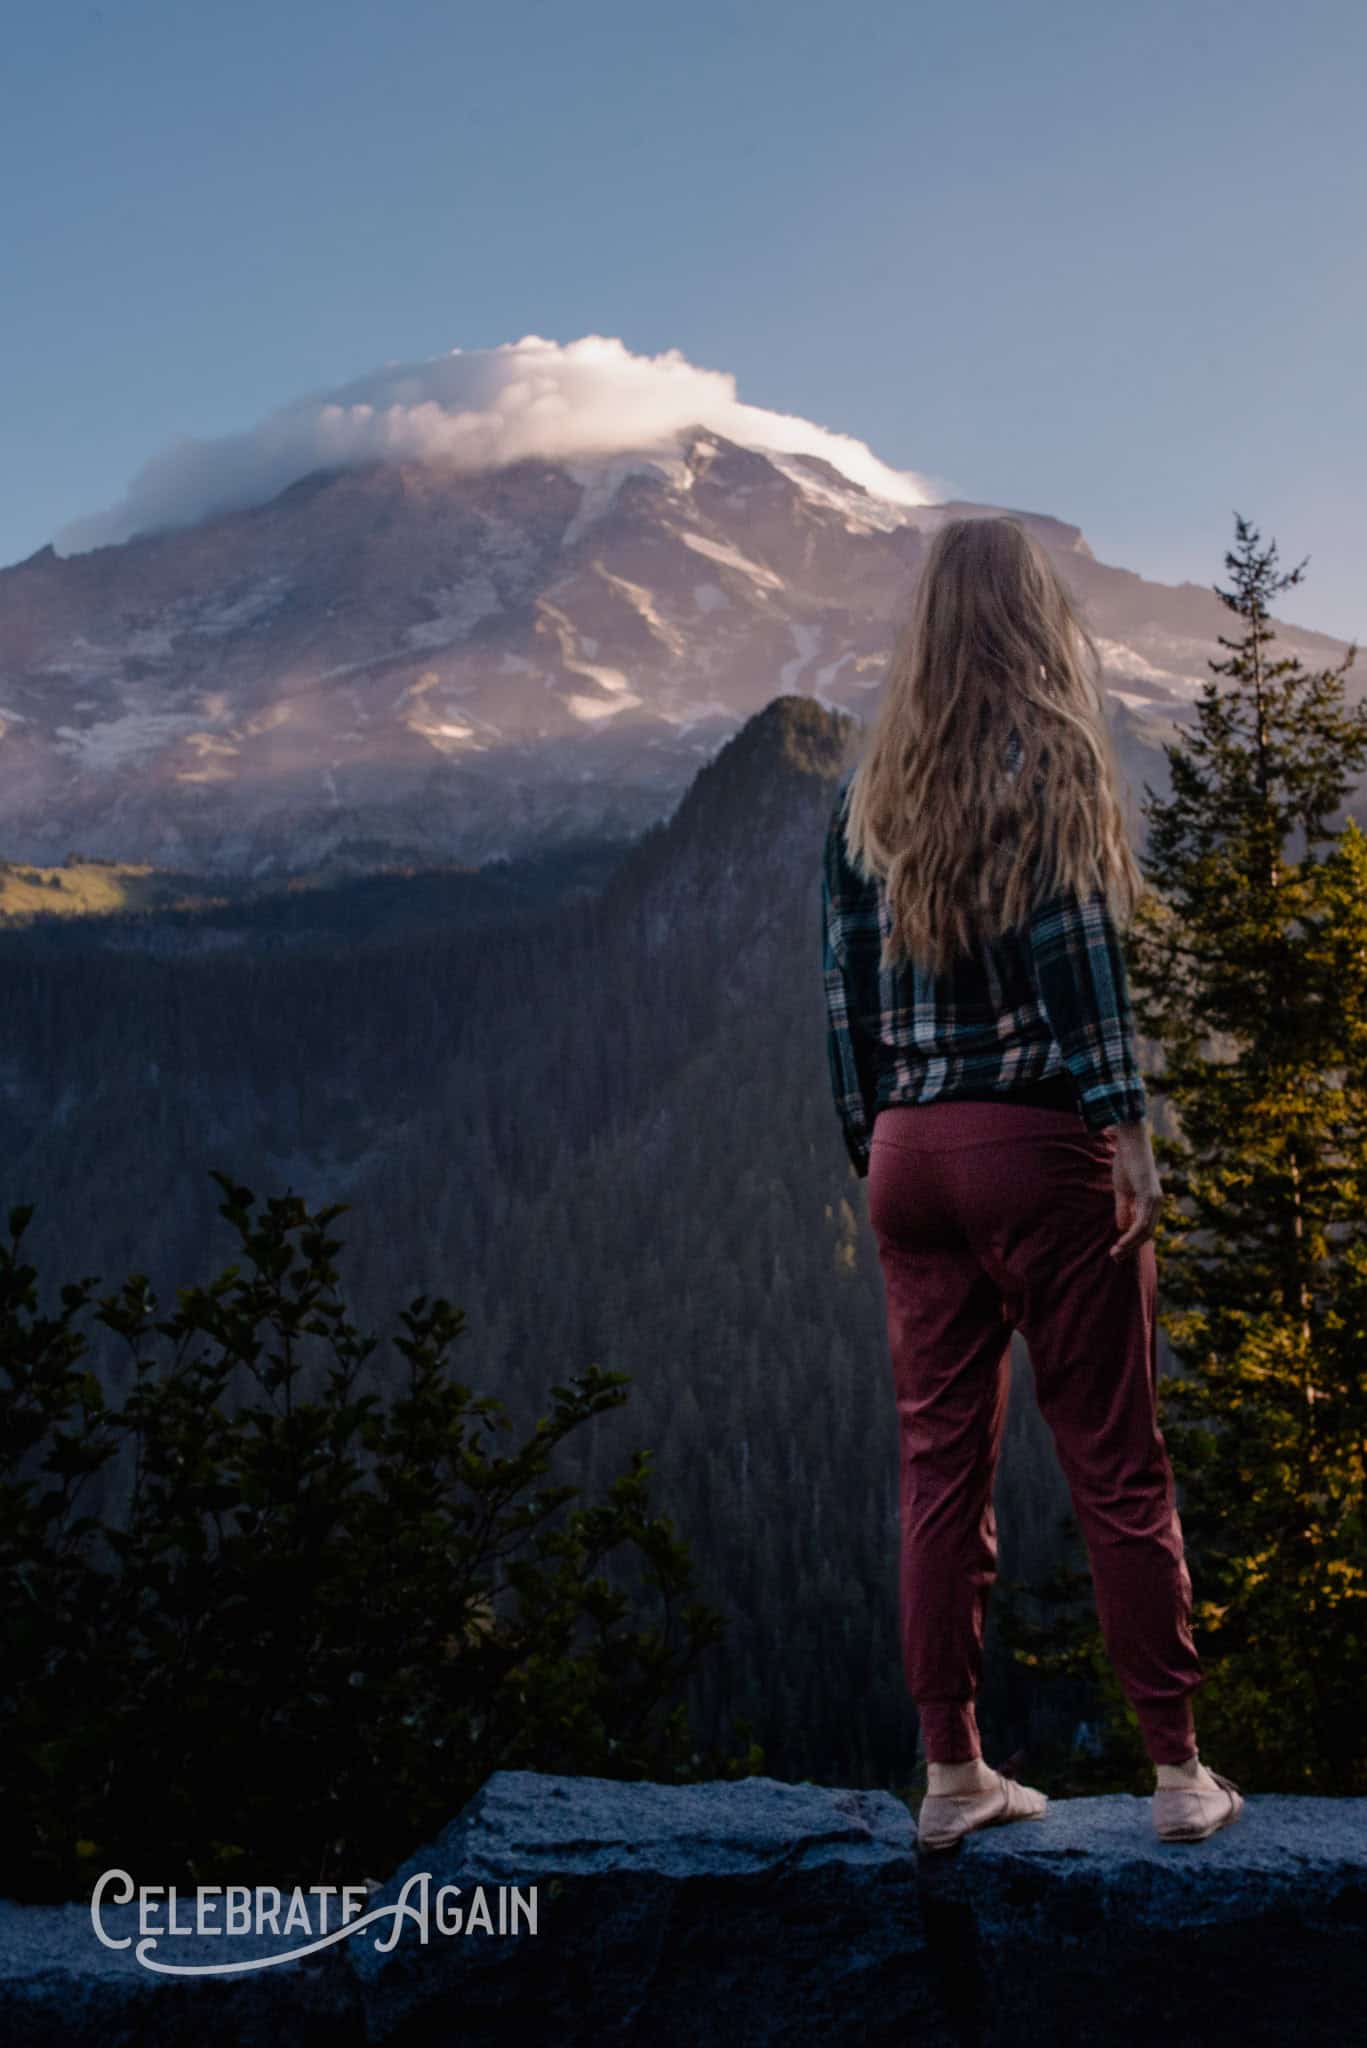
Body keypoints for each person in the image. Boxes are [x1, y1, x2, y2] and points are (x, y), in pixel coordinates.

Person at [820, 514, 1244, 1852]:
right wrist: (1125, 1122)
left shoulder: (868, 792)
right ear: (1033, 616)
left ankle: (952, 1775)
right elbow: (1077, 956)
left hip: (908, 1153)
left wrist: (877, 1144)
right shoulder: (1047, 758)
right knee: (1117, 1462)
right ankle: (1179, 1775)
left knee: (940, 1469)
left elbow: (844, 1005)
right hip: (1038, 1146)